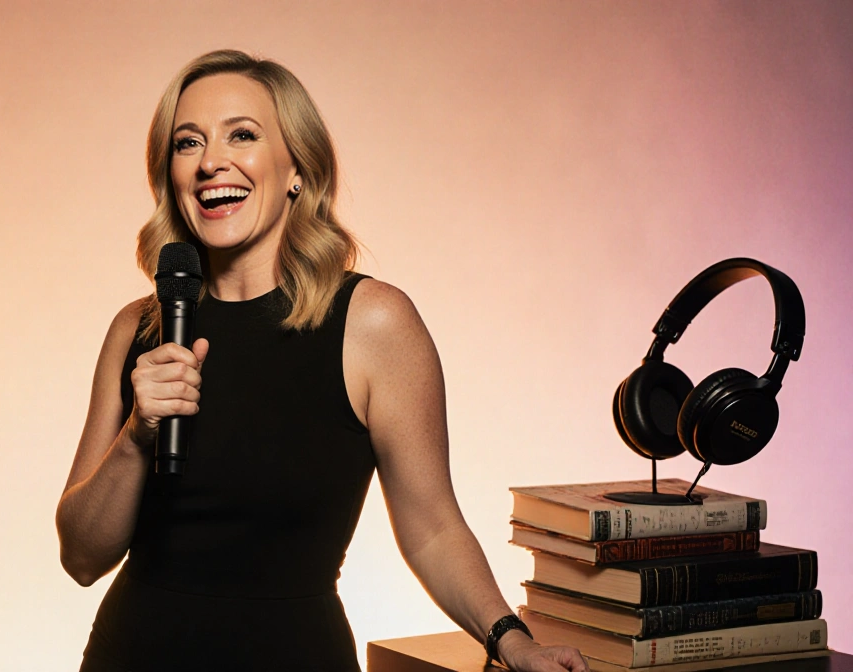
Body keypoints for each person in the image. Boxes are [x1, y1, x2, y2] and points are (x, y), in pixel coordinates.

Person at [56, 49, 588, 672]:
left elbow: (432, 527)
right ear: (170, 175)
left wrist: (512, 641)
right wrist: (136, 437)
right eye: (187, 143)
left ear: (297, 170)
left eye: (243, 135)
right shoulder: (137, 329)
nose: (210, 162)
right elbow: (82, 556)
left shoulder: (372, 324)